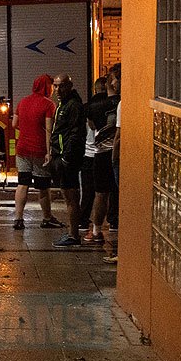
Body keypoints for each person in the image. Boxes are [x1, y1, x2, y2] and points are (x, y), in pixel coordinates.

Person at [12, 74, 63, 230]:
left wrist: (27, 129)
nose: (54, 89)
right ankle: (47, 218)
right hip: (39, 150)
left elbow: (14, 124)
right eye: (52, 86)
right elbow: (49, 129)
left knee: (23, 183)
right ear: (47, 87)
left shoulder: (22, 102)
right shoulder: (49, 105)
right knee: (42, 186)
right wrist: (49, 151)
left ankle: (18, 219)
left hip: (22, 149)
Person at [84, 65, 120, 244]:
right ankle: (116, 223)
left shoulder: (94, 105)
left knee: (100, 193)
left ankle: (96, 230)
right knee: (118, 192)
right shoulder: (123, 103)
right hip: (118, 153)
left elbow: (91, 126)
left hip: (101, 153)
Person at [49, 74, 86, 247]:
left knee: (70, 197)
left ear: (69, 86)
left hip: (67, 159)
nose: (57, 90)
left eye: (61, 86)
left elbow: (75, 134)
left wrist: (66, 157)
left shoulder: (73, 106)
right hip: (62, 156)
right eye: (55, 86)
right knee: (68, 196)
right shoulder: (62, 105)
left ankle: (73, 235)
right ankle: (72, 233)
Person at [79, 77, 107, 230]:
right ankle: (111, 221)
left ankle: (83, 220)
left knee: (87, 191)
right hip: (103, 152)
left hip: (88, 153)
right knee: (103, 192)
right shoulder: (111, 106)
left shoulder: (86, 107)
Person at [105, 64, 123, 265]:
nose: (112, 83)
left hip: (118, 159)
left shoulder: (121, 104)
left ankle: (121, 250)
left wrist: (114, 158)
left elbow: (118, 136)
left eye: (115, 79)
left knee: (120, 199)